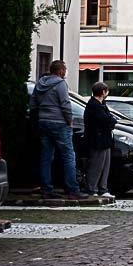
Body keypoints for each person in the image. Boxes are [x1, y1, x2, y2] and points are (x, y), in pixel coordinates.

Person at [30, 60, 88, 199]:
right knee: (68, 156)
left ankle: (46, 189)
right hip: (59, 123)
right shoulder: (60, 84)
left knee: (46, 157)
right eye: (64, 69)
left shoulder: (39, 83)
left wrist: (39, 117)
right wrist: (69, 120)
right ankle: (73, 190)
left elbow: (33, 103)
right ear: (60, 70)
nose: (65, 72)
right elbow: (65, 104)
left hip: (43, 122)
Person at [83, 81, 117, 198]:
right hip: (97, 140)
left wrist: (111, 121)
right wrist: (111, 121)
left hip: (104, 140)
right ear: (103, 92)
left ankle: (103, 188)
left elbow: (110, 119)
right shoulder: (94, 105)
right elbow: (107, 120)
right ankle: (93, 188)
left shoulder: (101, 104)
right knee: (96, 165)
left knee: (105, 165)